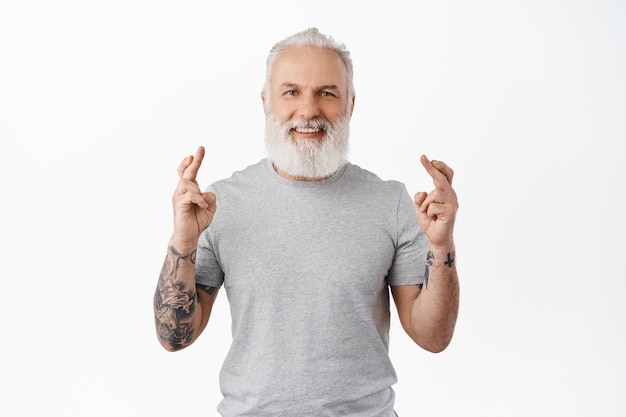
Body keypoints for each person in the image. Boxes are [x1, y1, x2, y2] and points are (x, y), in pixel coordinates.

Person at [154, 27, 460, 417]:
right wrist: (183, 242)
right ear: (266, 102)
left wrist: (441, 245)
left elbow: (433, 338)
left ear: (350, 105)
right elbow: (174, 338)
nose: (309, 110)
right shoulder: (219, 203)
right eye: (291, 92)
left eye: (327, 93)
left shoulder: (391, 202)